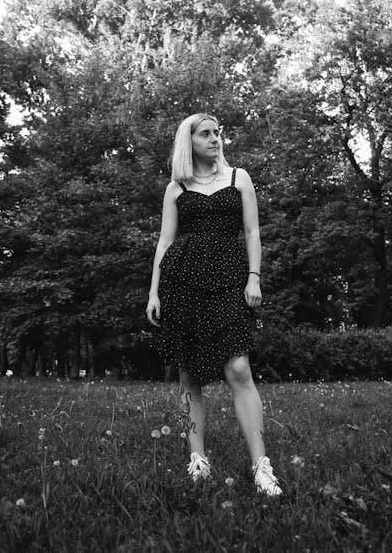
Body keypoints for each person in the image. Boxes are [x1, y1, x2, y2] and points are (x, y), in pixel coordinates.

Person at [146, 113, 282, 496]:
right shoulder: (176, 187)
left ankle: (261, 467)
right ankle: (198, 460)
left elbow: (253, 231)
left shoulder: (239, 178)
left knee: (238, 367)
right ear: (188, 142)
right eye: (205, 134)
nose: (215, 139)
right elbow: (165, 242)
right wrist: (155, 291)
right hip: (182, 281)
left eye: (217, 133)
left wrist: (254, 277)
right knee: (189, 373)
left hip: (229, 278)